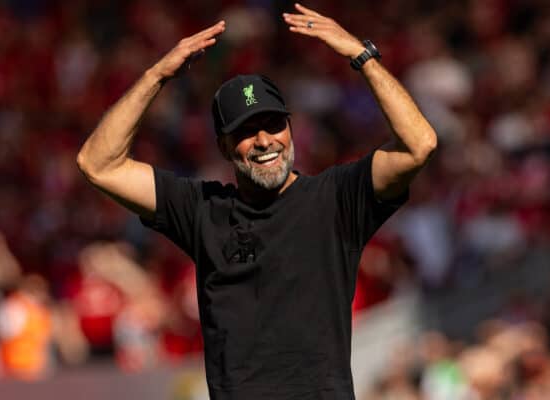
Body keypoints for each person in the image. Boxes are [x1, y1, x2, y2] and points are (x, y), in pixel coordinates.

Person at [77, 3, 437, 399]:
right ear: (224, 147)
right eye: (247, 131)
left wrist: (360, 55)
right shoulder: (202, 209)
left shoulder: (336, 199)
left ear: (290, 127)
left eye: (273, 124)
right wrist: (155, 76)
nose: (264, 140)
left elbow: (419, 145)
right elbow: (99, 164)